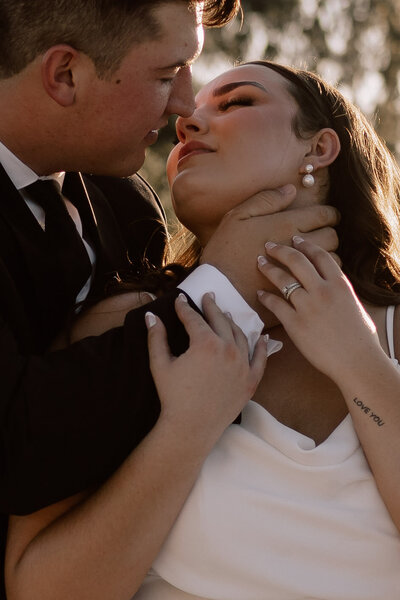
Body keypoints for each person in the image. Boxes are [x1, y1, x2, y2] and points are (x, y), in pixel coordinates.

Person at [7, 59, 398, 599]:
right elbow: (41, 590)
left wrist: (361, 363)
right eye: (190, 114)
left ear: (320, 148)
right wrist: (186, 430)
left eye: (237, 102)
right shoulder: (122, 327)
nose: (187, 120)